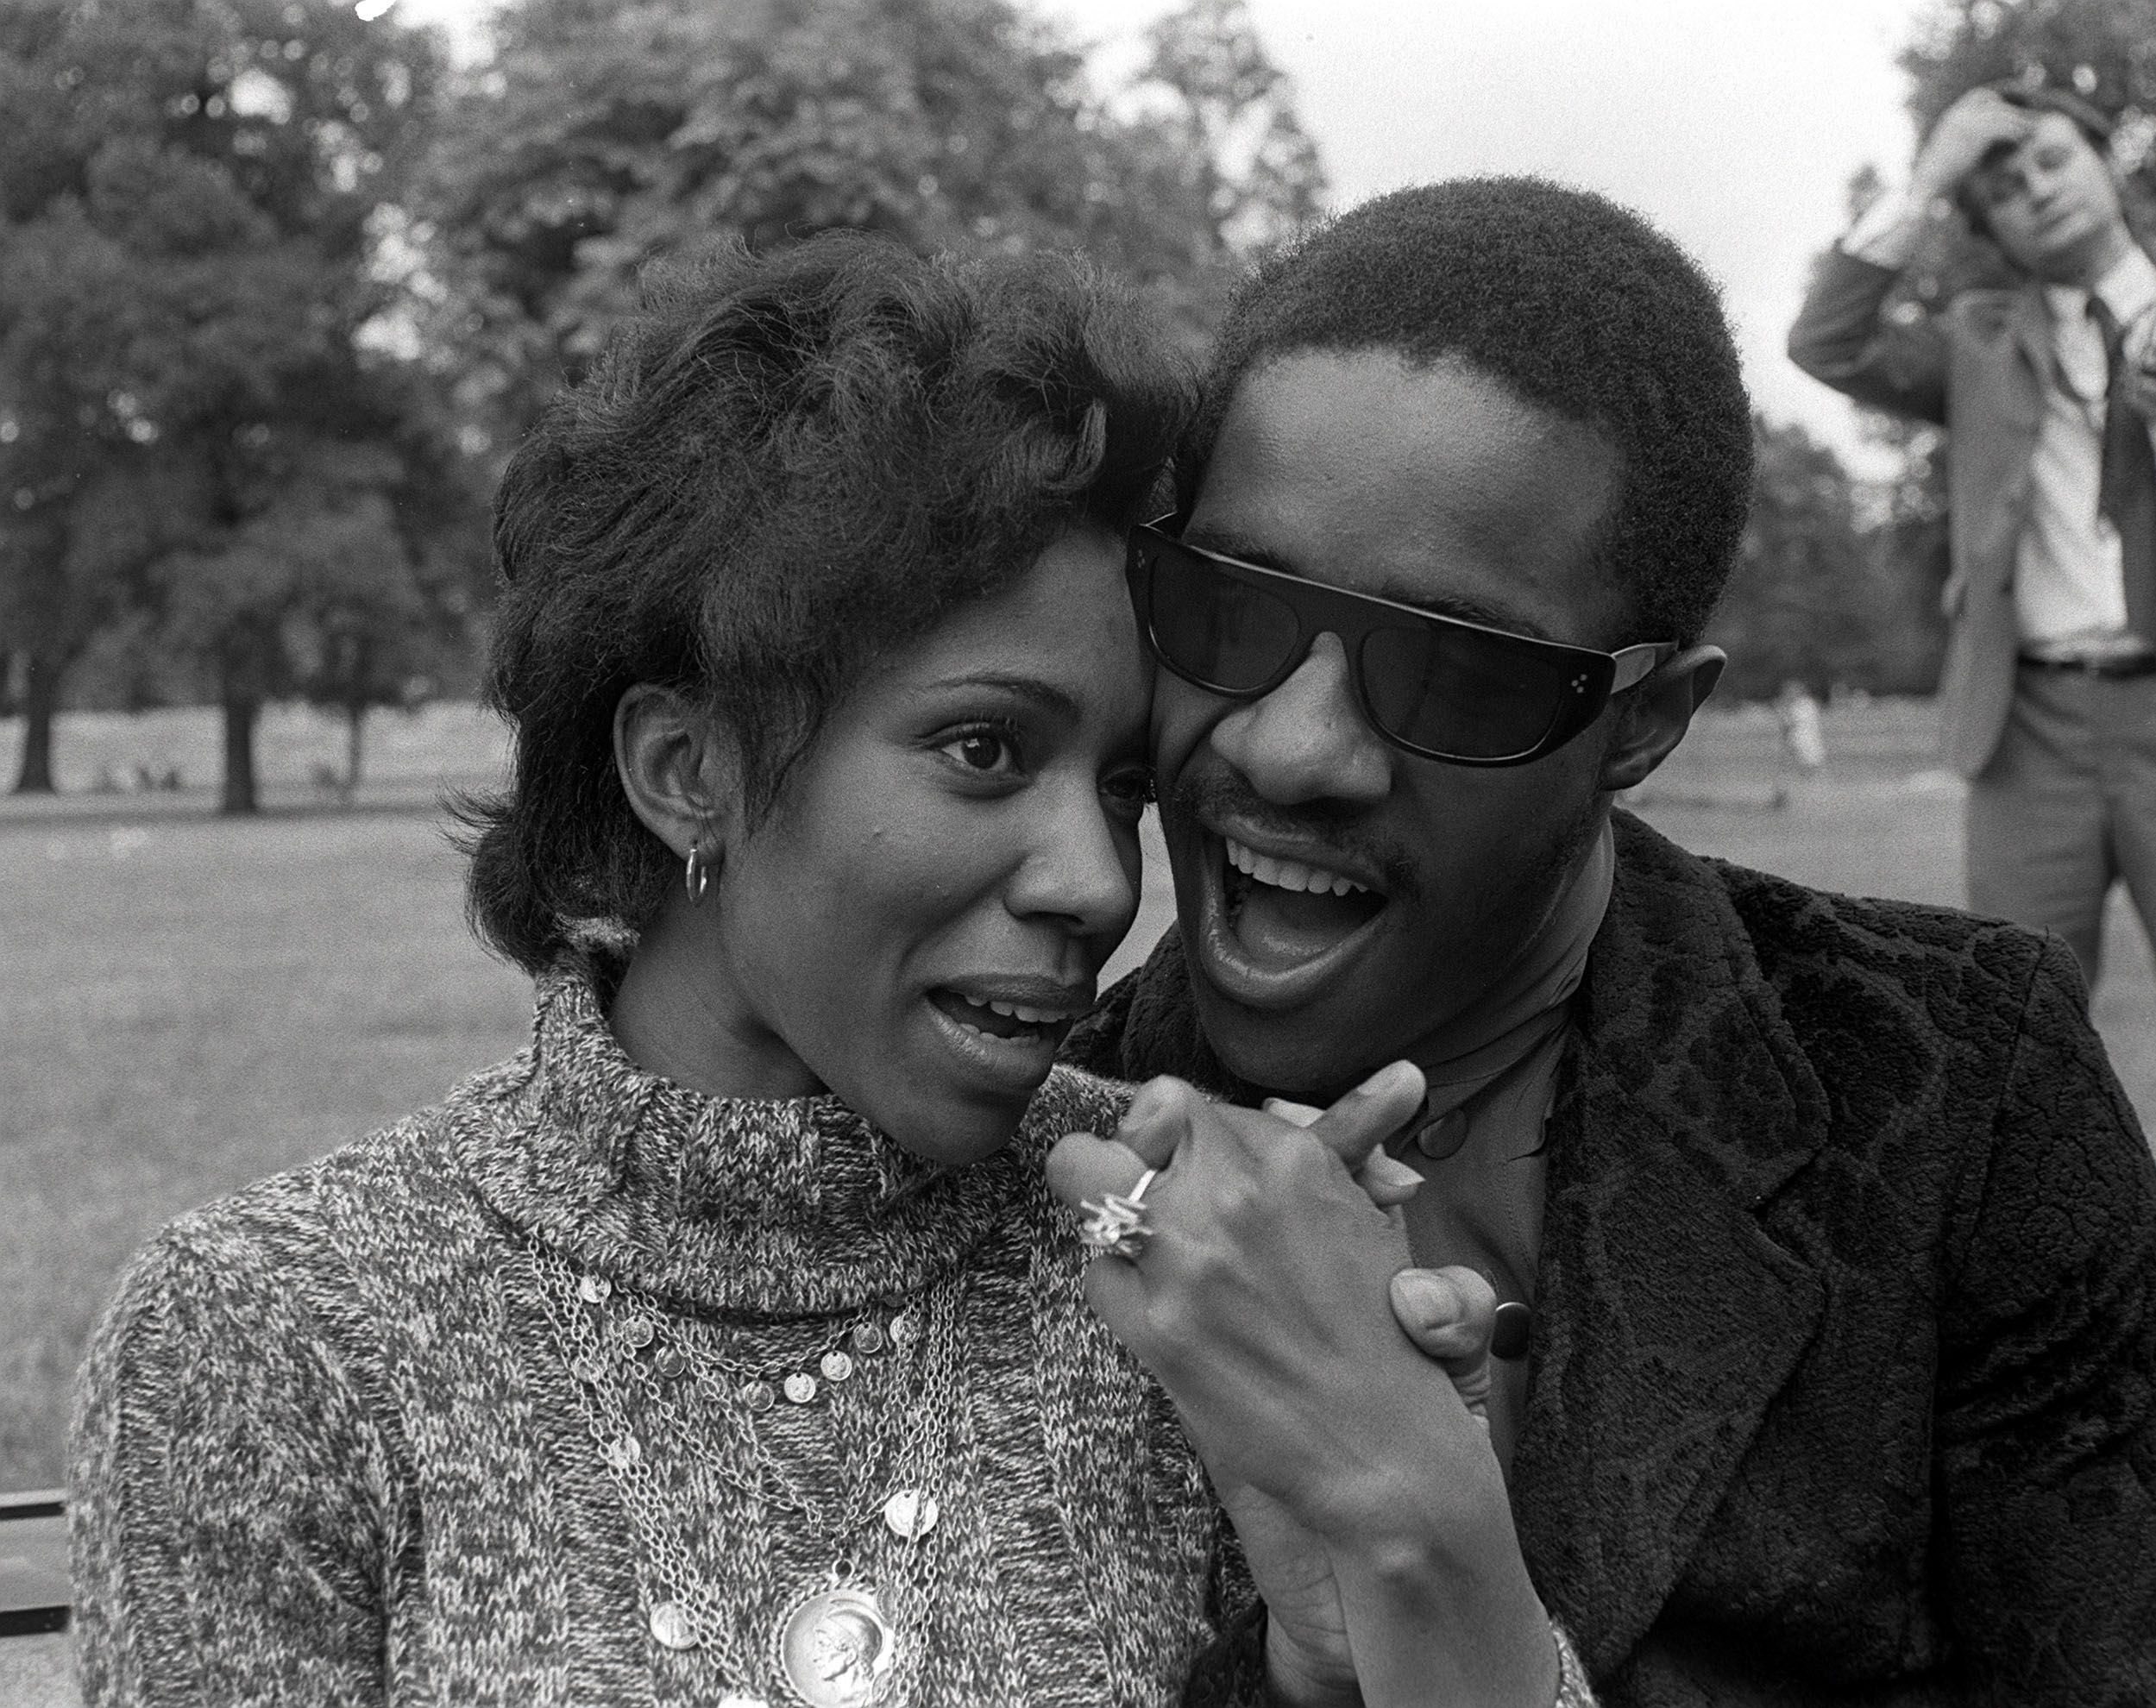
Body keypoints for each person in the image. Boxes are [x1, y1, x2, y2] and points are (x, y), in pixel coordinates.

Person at [66, 234, 1522, 1708]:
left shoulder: (1185, 1268)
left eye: (1127, 786)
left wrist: (1383, 1611)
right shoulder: (275, 1339)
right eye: (985, 749)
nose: (1096, 881)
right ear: (685, 769)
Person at [1053, 176, 2156, 1704]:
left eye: (1456, 675)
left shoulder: (1942, 1092)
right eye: (1233, 607)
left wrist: (1435, 1557)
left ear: (1644, 726)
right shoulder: (1031, 1147)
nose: (1290, 750)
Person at [1788, 83, 2156, 1288]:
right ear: (1985, 222)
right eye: (1999, 187)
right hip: (2034, 732)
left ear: (2106, 167)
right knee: (2008, 1068)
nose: (2033, 188)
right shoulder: (1980, 338)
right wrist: (1922, 185)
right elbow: (1825, 344)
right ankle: (2043, 1360)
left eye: (2051, 160)